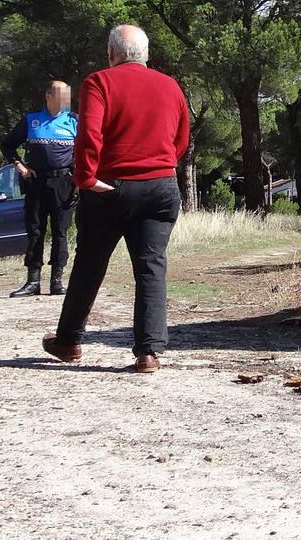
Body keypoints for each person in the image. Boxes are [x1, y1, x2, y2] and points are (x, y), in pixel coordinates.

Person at [42, 25, 188, 374]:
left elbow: (89, 134)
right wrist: (162, 165)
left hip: (111, 187)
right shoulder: (170, 85)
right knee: (151, 266)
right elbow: (182, 137)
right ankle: (149, 352)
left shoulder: (99, 82)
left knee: (90, 263)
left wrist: (85, 178)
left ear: (112, 53)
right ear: (146, 54)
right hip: (160, 185)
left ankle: (68, 341)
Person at [0, 80, 79, 297]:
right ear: (49, 96)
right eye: (62, 95)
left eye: (68, 96)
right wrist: (20, 166)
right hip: (36, 182)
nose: (67, 100)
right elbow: (7, 145)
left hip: (63, 183)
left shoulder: (74, 121)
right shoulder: (31, 120)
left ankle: (57, 281)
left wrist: (78, 180)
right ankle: (32, 281)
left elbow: (86, 152)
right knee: (35, 232)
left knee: (60, 231)